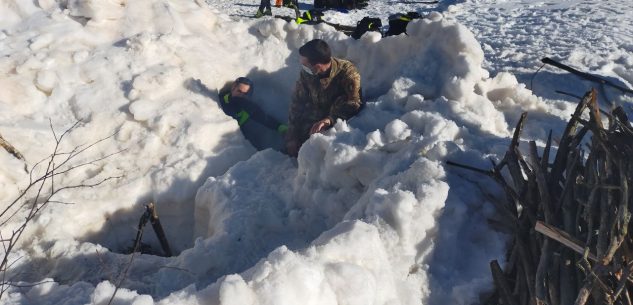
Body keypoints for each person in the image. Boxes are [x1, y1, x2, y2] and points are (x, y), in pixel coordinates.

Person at [286, 39, 362, 156]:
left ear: (317, 66)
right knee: (293, 146)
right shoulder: (307, 73)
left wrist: (330, 120)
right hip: (315, 115)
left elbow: (354, 103)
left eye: (305, 64)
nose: (303, 67)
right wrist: (292, 135)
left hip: (339, 121)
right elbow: (298, 101)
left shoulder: (348, 73)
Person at [219, 77, 288, 150]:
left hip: (238, 141)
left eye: (245, 94)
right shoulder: (221, 101)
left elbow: (265, 119)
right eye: (239, 91)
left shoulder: (248, 107)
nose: (241, 95)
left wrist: (282, 128)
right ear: (233, 88)